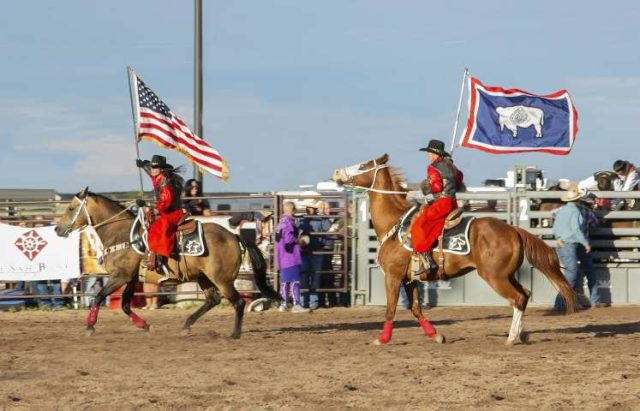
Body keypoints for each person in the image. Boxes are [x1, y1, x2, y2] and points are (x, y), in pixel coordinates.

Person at [410, 139, 464, 279]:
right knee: (435, 226)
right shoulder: (451, 166)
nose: (428, 155)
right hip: (452, 203)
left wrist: (426, 187)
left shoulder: (433, 167)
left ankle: (427, 259)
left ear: (435, 154)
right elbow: (460, 179)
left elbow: (436, 188)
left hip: (442, 203)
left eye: (429, 152)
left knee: (418, 225)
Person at [136, 155, 185, 273]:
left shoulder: (165, 183)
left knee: (159, 226)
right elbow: (150, 171)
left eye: (155, 167)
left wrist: (150, 207)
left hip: (172, 212)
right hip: (166, 210)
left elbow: (166, 202)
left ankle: (160, 257)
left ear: (162, 169)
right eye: (152, 167)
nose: (152, 169)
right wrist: (143, 165)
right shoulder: (157, 176)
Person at [552, 187, 591, 311]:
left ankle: (569, 302)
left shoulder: (561, 211)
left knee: (573, 273)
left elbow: (555, 228)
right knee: (572, 274)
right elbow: (576, 229)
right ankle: (560, 303)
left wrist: (559, 237)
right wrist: (585, 243)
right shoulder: (575, 211)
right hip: (569, 244)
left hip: (560, 243)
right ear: (578, 199)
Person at [275, 202, 309, 313]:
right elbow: (289, 239)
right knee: (295, 281)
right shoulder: (289, 222)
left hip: (282, 257)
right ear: (292, 209)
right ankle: (296, 304)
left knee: (285, 282)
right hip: (291, 256)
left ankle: (283, 304)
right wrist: (300, 241)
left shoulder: (280, 223)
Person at [299, 200, 331, 310]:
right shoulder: (302, 219)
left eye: (310, 207)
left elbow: (327, 228)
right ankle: (305, 301)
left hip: (316, 251)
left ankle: (312, 301)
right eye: (308, 207)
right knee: (305, 277)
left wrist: (324, 215)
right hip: (305, 252)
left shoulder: (319, 218)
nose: (308, 209)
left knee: (314, 277)